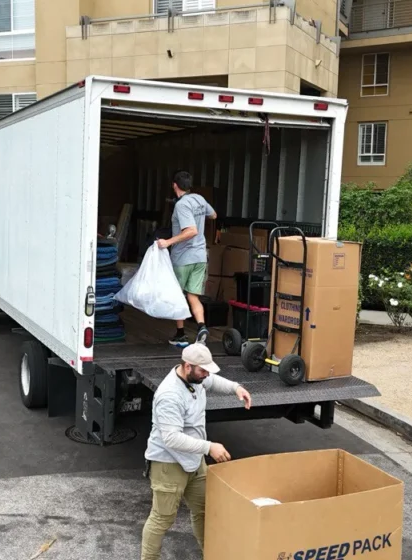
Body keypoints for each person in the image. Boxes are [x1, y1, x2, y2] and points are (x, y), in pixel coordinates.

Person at [140, 343, 252, 560]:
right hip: (168, 464)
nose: (206, 375)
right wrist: (209, 446)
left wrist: (236, 388)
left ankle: (211, 554)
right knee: (162, 519)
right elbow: (171, 438)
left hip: (194, 461)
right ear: (187, 366)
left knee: (204, 511)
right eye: (202, 370)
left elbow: (213, 381)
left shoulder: (197, 378)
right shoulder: (169, 394)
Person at [156, 171, 216, 347]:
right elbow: (213, 215)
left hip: (184, 258)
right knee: (193, 296)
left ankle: (181, 334)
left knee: (178, 296)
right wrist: (199, 214)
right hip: (200, 257)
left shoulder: (181, 205)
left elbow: (191, 231)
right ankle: (202, 327)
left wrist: (168, 242)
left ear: (174, 185)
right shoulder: (199, 199)